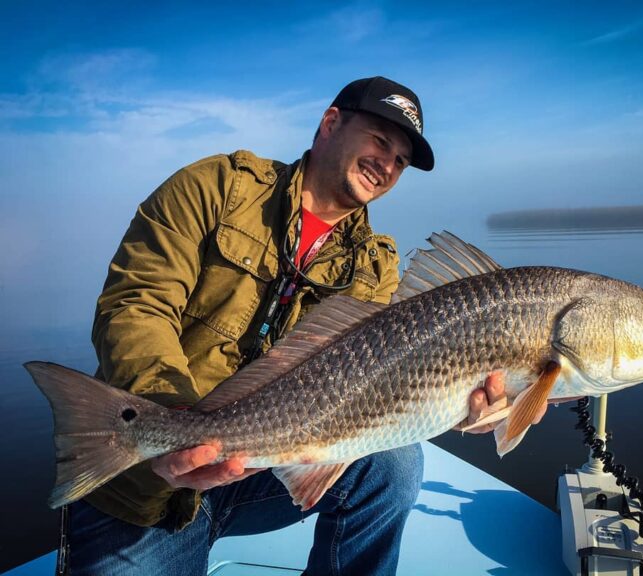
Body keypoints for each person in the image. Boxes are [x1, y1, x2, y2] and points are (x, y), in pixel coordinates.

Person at [65, 76, 511, 576]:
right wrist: (173, 420)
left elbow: (376, 387)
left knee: (394, 464)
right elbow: (137, 302)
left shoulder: (375, 265)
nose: (387, 165)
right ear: (330, 122)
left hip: (256, 469)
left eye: (401, 161)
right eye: (380, 141)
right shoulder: (216, 186)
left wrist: (467, 407)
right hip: (154, 481)